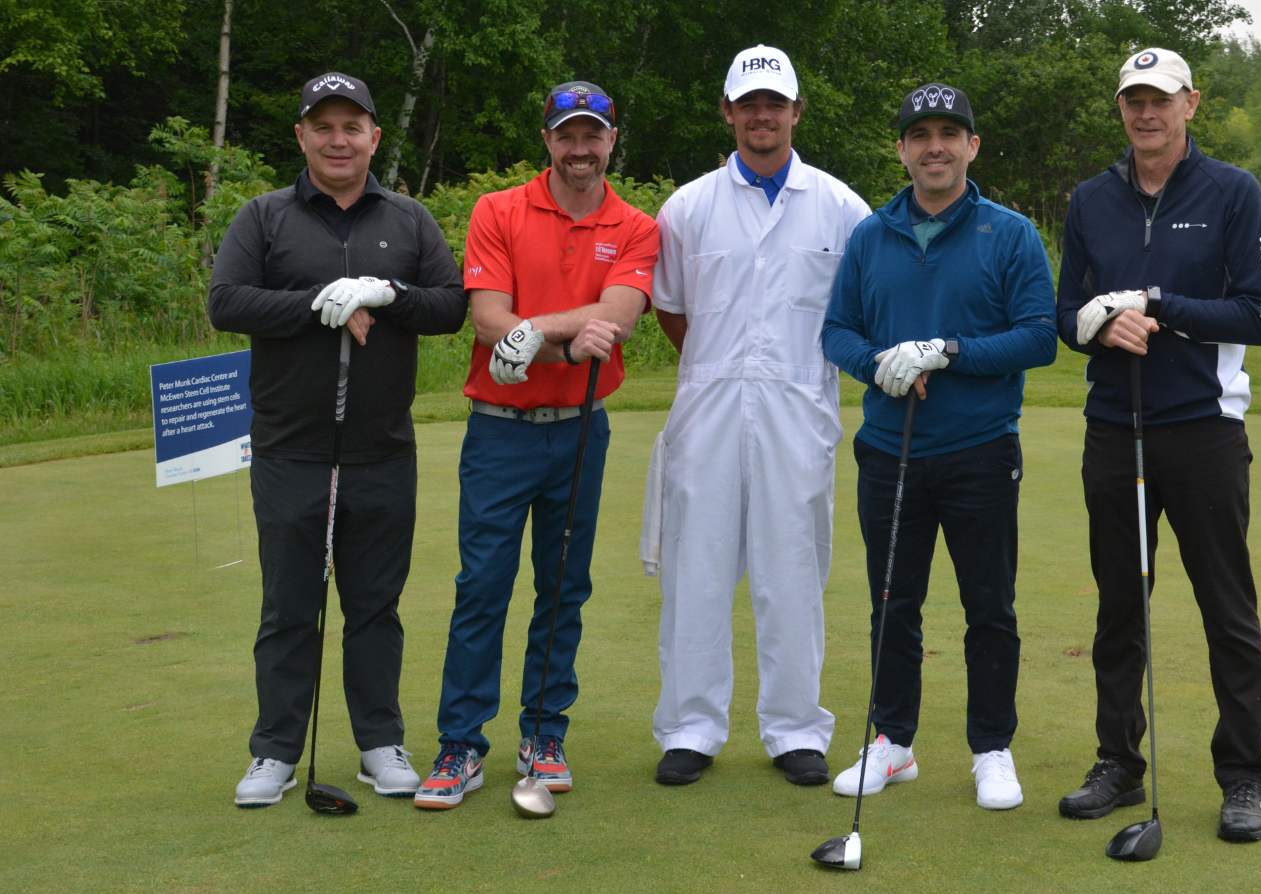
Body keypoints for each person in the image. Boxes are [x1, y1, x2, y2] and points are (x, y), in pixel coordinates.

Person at [211, 72, 467, 807]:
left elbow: (449, 306)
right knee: (289, 606)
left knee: (374, 607)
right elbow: (226, 301)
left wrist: (386, 294)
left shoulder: (410, 219)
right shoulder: (263, 218)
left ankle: (379, 743)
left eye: (351, 126)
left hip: (382, 449)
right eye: (322, 126)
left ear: (374, 138)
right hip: (291, 449)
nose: (337, 139)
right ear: (301, 135)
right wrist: (319, 305)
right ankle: (275, 752)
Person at [414, 81, 657, 810]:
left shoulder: (638, 226)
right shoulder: (499, 210)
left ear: (613, 139)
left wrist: (534, 333)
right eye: (566, 135)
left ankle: (543, 735)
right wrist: (553, 338)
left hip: (581, 429)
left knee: (562, 589)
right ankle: (461, 745)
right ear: (547, 139)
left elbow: (615, 320)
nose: (580, 150)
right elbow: (488, 318)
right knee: (481, 588)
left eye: (593, 135)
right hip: (498, 429)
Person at [1054, 48, 1261, 842]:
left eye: (1161, 99)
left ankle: (1242, 778)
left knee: (1228, 610)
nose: (1146, 113)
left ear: (1191, 103)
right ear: (1121, 109)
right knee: (1120, 611)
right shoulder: (1091, 200)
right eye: (1133, 100)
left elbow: (1256, 315)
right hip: (1115, 431)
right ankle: (1117, 763)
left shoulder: (1233, 192)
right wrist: (1099, 321)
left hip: (1205, 431)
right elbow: (1065, 312)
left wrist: (1157, 303)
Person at [821, 83, 1057, 810]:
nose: (935, 146)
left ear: (972, 147)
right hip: (888, 451)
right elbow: (838, 332)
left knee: (989, 605)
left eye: (950, 133)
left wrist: (946, 351)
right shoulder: (870, 235)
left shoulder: (1008, 232)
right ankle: (892, 741)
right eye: (920, 134)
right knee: (893, 602)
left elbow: (1039, 336)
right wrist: (878, 364)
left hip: (981, 449)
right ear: (901, 149)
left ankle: (992, 748)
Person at [645, 45, 870, 788]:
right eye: (749, 104)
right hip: (707, 401)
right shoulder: (687, 207)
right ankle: (692, 727)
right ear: (728, 112)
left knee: (792, 572)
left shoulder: (842, 207)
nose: (762, 116)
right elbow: (674, 313)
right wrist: (723, 366)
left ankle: (795, 729)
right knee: (697, 570)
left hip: (799, 406)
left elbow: (857, 312)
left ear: (797, 112)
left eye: (775, 104)